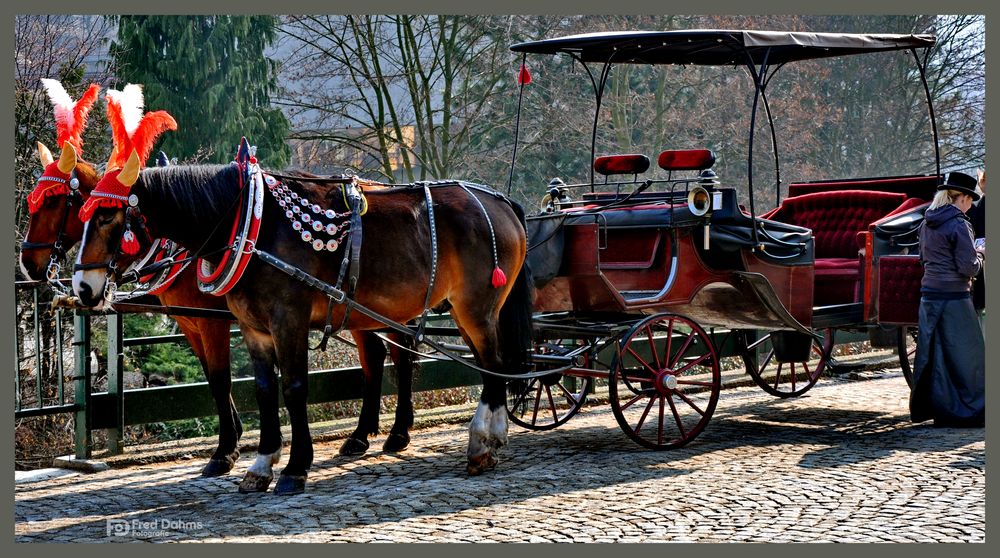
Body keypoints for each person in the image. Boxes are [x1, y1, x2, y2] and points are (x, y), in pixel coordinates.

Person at [910, 171, 985, 428]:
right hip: (955, 297)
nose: (970, 206)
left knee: (935, 355)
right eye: (969, 200)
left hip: (929, 296)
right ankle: (970, 411)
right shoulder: (959, 224)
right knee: (968, 358)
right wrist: (981, 255)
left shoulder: (925, 223)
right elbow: (968, 267)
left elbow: (923, 259)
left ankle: (938, 409)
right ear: (961, 198)